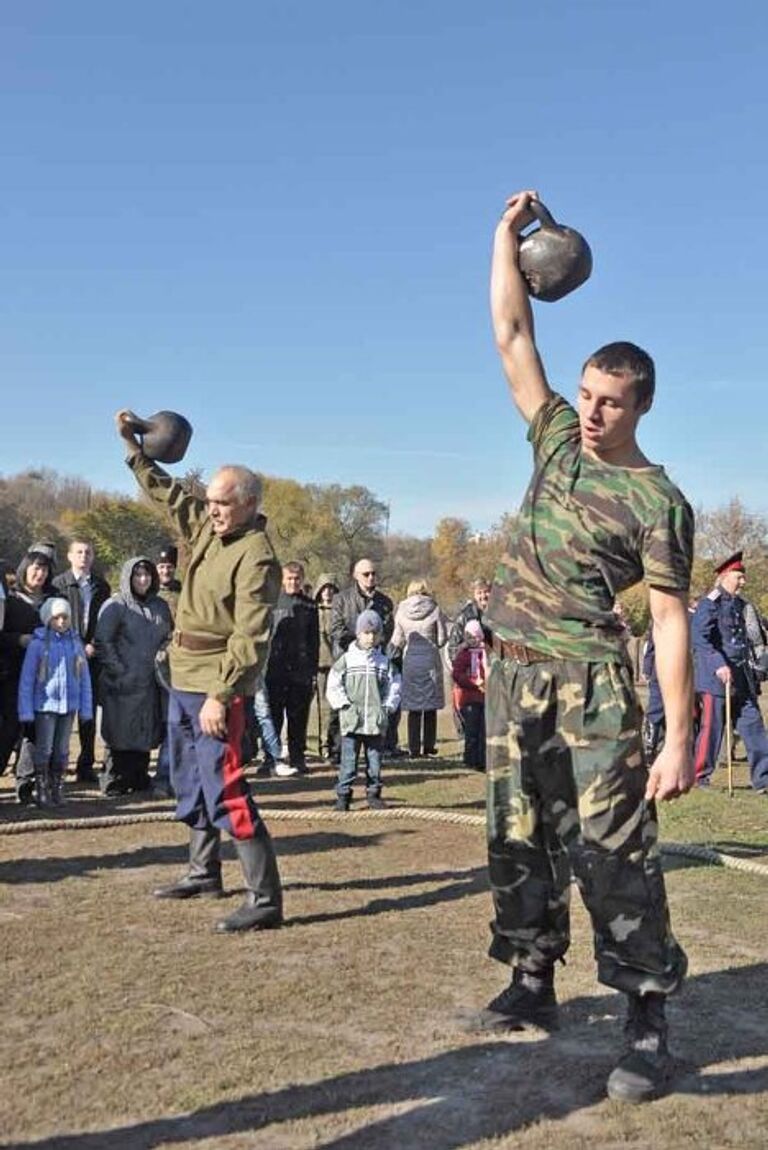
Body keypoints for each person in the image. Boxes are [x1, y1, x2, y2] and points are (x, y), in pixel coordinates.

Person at [468, 190, 695, 1106]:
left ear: (640, 404)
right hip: (513, 672)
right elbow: (512, 336)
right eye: (589, 395)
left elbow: (672, 621)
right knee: (515, 839)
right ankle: (531, 980)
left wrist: (678, 738)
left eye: (609, 402)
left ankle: (646, 1011)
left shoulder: (658, 501)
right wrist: (503, 239)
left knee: (611, 850)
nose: (592, 412)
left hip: (594, 685)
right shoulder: (555, 439)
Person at [115, 409, 284, 934]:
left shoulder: (256, 556)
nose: (210, 511)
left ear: (249, 504)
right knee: (188, 777)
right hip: (182, 676)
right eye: (208, 502)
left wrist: (222, 693)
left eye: (221, 503)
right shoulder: (209, 528)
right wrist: (135, 451)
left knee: (226, 783)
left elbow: (251, 635)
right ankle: (202, 871)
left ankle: (264, 899)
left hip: (216, 685)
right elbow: (169, 495)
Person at [95, 557, 173, 795]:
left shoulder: (160, 606)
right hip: (122, 681)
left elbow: (170, 635)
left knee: (143, 731)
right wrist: (119, 671)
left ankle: (138, 777)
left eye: (147, 575)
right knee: (119, 732)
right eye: (138, 575)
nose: (143, 579)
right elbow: (103, 642)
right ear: (129, 577)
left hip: (150, 681)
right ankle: (114, 779)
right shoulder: (116, 605)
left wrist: (164, 654)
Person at [691, 551, 768, 792]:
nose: (743, 582)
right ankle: (700, 775)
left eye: (743, 577)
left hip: (741, 677)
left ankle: (763, 779)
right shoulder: (709, 603)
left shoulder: (740, 606)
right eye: (739, 577)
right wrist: (718, 664)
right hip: (716, 678)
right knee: (712, 729)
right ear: (725, 576)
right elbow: (699, 637)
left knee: (754, 725)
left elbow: (745, 640)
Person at [17, 597, 93, 806]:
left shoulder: (76, 644)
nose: (61, 622)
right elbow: (27, 680)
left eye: (65, 617)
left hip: (69, 706)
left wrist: (86, 709)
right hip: (45, 706)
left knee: (62, 748)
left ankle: (57, 787)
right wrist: (26, 711)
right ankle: (41, 787)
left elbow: (85, 679)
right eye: (56, 617)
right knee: (45, 748)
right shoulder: (37, 645)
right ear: (47, 619)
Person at [326, 610, 401, 811]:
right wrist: (342, 704)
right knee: (348, 762)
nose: (370, 637)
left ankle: (374, 794)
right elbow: (334, 682)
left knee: (374, 761)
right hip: (352, 721)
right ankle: (343, 795)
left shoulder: (384, 663)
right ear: (358, 634)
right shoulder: (348, 660)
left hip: (375, 722)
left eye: (375, 633)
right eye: (366, 633)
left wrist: (387, 706)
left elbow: (394, 685)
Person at [0, 549, 59, 800]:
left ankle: (26, 782)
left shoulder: (55, 600)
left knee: (36, 731)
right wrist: (19, 639)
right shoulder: (10, 599)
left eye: (44, 569)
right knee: (8, 729)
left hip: (45, 676)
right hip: (12, 673)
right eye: (35, 567)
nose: (40, 573)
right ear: (25, 568)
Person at [52, 538, 111, 784]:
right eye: (79, 552)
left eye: (88, 552)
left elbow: (106, 622)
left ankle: (85, 764)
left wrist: (95, 646)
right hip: (63, 657)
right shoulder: (58, 585)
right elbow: (53, 620)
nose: (84, 556)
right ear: (69, 556)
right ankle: (57, 764)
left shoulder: (101, 587)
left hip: (92, 657)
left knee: (88, 713)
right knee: (62, 711)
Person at [330, 558, 399, 754]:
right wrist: (358, 644)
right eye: (366, 574)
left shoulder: (384, 602)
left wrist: (373, 645)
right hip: (348, 658)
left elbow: (388, 630)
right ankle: (337, 749)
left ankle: (383, 746)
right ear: (355, 576)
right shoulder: (341, 599)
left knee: (379, 702)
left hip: (375, 659)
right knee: (342, 705)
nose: (370, 578)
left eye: (373, 574)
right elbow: (335, 629)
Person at [264, 561, 319, 776]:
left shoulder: (310, 606)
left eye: (297, 579)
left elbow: (314, 641)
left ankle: (297, 757)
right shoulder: (273, 603)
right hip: (275, 668)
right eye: (289, 578)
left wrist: (312, 671)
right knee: (274, 716)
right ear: (282, 580)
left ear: (302, 580)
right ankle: (271, 757)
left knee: (298, 717)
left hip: (301, 670)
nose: (293, 582)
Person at [390, 579, 448, 758]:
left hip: (411, 663)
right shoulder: (435, 609)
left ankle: (414, 748)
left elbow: (397, 640)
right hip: (430, 660)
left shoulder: (401, 611)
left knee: (414, 708)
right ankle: (429, 746)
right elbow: (441, 639)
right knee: (429, 706)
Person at [451, 619, 487, 770]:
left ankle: (483, 759)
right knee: (471, 730)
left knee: (483, 730)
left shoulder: (486, 653)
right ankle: (470, 759)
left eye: (477, 637)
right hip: (469, 697)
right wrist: (473, 683)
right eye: (470, 637)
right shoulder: (464, 655)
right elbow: (457, 674)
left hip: (485, 697)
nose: (474, 640)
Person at [313, 573, 341, 763]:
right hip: (319, 663)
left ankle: (333, 744)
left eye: (331, 588)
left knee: (335, 706)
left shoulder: (340, 610)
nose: (327, 592)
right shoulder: (313, 610)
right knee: (322, 706)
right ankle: (323, 744)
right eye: (324, 588)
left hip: (337, 663)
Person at [447, 578, 493, 664]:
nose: (483, 596)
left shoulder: (501, 614)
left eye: (486, 591)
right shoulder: (465, 616)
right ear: (474, 595)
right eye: (479, 593)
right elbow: (453, 649)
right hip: (473, 664)